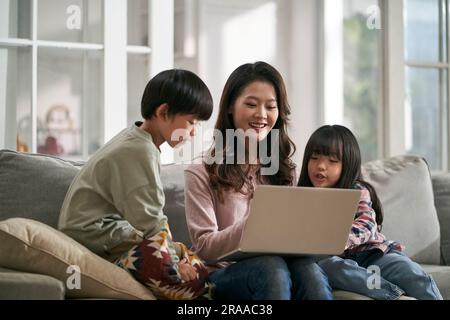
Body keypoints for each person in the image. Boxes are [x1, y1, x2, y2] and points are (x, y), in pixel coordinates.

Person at [58, 69, 214, 300]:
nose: (193, 132)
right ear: (163, 112)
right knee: (196, 279)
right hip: (95, 242)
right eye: (191, 122)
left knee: (190, 258)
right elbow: (150, 220)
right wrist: (172, 263)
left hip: (110, 236)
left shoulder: (137, 139)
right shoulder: (139, 150)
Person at [184, 61, 333, 300]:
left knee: (308, 269)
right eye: (251, 104)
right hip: (223, 275)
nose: (262, 115)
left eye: (271, 106)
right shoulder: (201, 170)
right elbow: (205, 247)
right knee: (270, 267)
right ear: (231, 107)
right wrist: (254, 225)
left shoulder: (284, 169)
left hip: (278, 267)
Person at [297, 124, 443, 300]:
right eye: (314, 158)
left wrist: (336, 241)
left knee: (412, 273)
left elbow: (366, 225)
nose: (321, 166)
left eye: (332, 161)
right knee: (328, 267)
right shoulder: (301, 197)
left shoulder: (357, 190)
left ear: (348, 164)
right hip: (337, 262)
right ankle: (394, 296)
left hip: (374, 254)